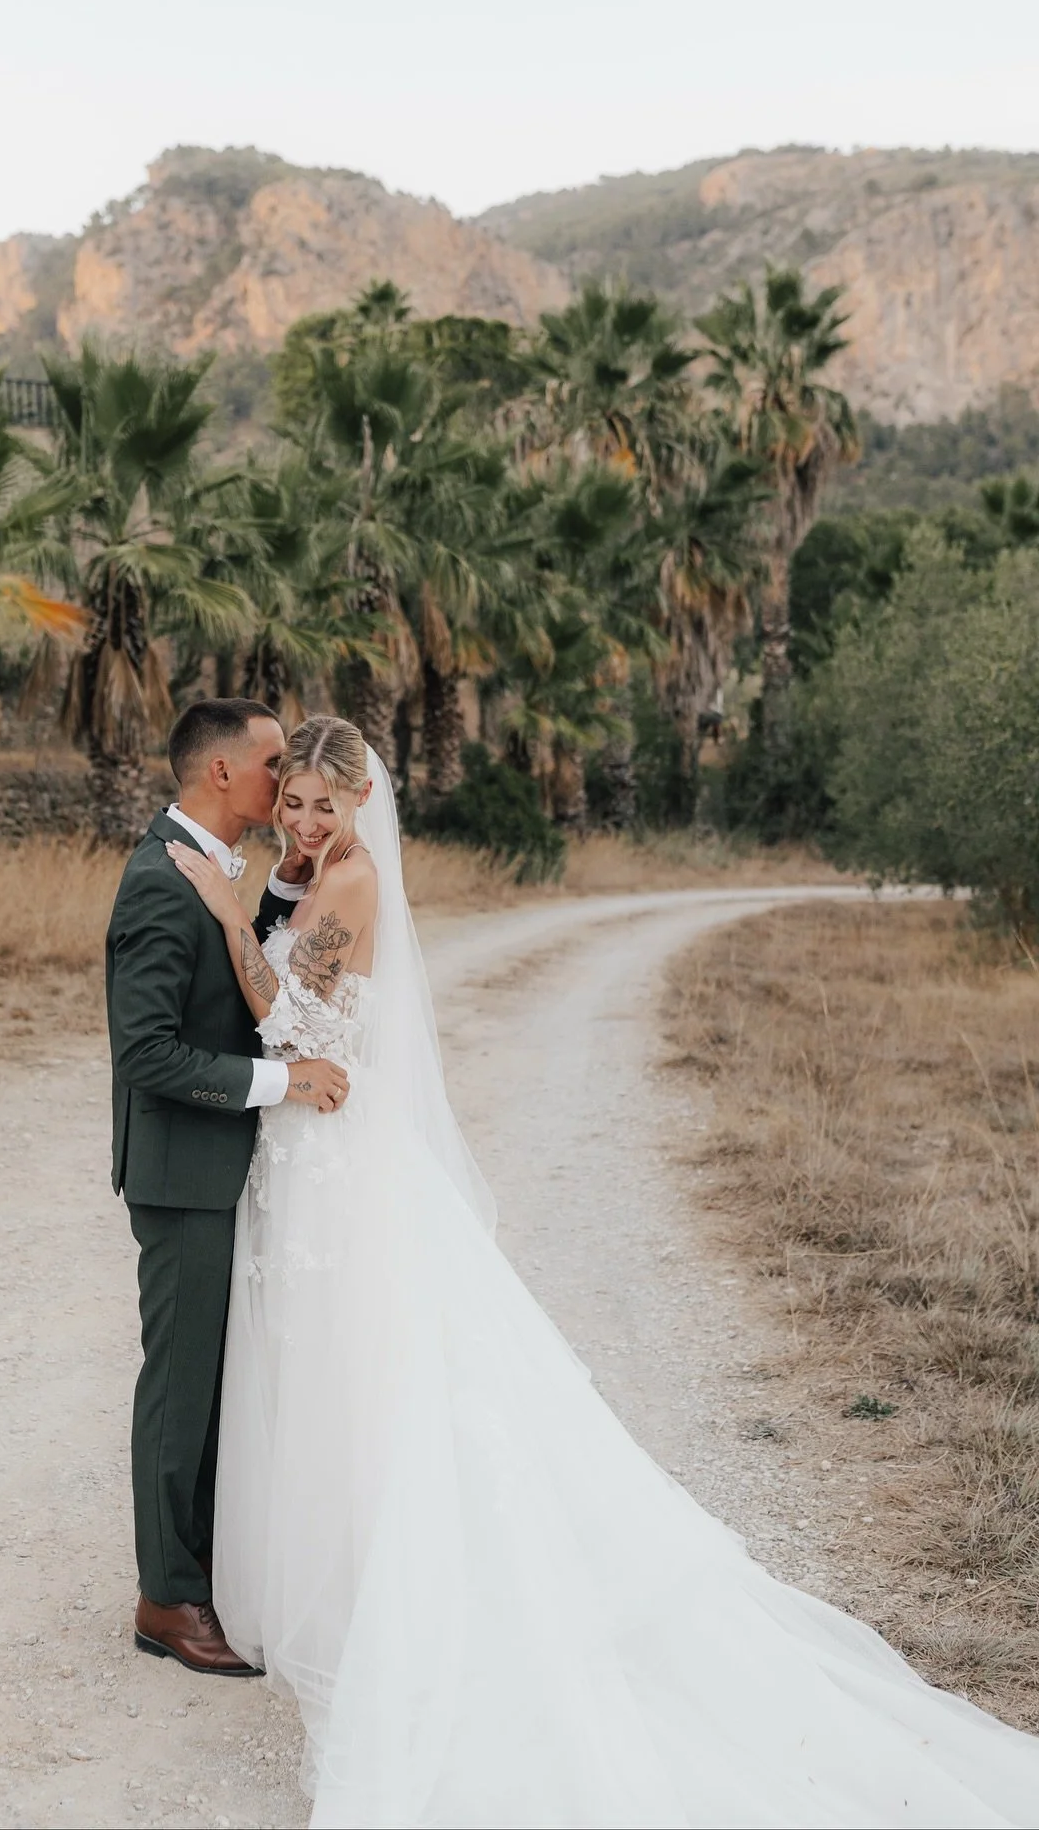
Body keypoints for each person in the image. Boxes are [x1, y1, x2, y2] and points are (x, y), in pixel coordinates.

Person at [165, 713, 1039, 1829]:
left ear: (361, 804)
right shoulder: (316, 874)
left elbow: (299, 1032)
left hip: (335, 1160)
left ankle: (394, 1592)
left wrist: (229, 909)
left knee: (369, 1372)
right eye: (291, 801)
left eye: (322, 807)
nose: (299, 820)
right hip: (308, 1159)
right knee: (315, 1365)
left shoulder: (356, 885)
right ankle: (322, 1576)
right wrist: (276, 893)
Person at [104, 698, 348, 1677]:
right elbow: (149, 1051)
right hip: (182, 1173)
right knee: (180, 1385)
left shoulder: (216, 865)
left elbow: (244, 976)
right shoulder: (162, 879)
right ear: (219, 774)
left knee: (215, 1382)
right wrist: (283, 1081)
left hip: (221, 1167)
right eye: (272, 763)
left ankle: (199, 1567)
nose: (282, 783)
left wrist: (279, 890)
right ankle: (166, 1597)